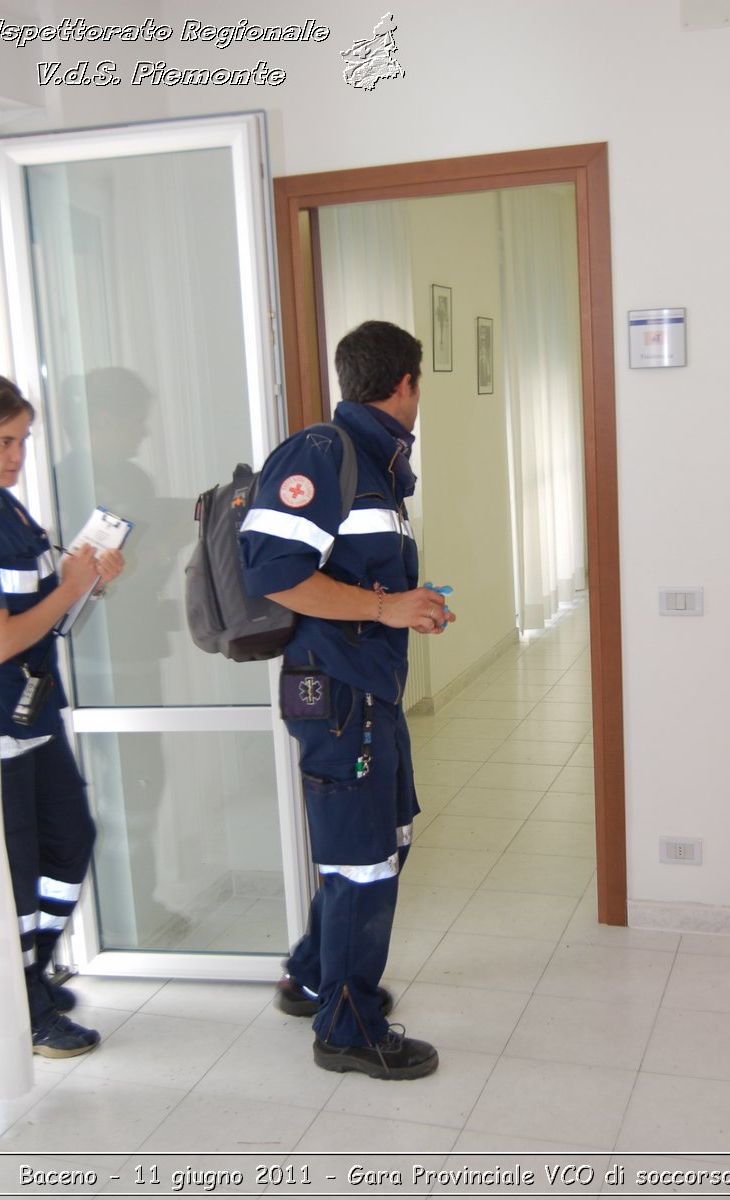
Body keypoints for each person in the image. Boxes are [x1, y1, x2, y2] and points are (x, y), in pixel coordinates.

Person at [240, 320, 455, 1081]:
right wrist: (385, 610)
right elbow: (272, 571)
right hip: (338, 698)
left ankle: (309, 977)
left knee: (374, 847)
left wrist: (408, 604)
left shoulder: (373, 464)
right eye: (420, 386)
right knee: (363, 862)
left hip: (364, 692)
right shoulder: (323, 453)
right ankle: (349, 1027)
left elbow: (354, 581)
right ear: (406, 385)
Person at [0, 374, 125, 1058]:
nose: (17, 455)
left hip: (38, 712)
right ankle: (27, 1005)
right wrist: (69, 584)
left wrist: (84, 578)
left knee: (72, 840)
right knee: (19, 870)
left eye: (24, 441)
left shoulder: (8, 509)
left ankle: (33, 971)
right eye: (3, 441)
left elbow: (49, 617)